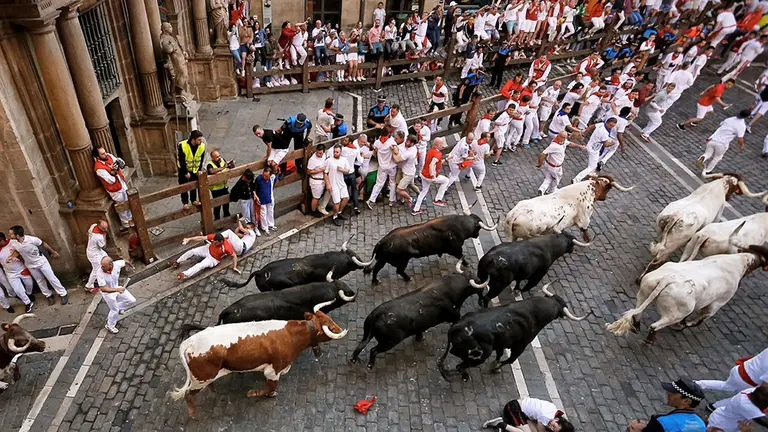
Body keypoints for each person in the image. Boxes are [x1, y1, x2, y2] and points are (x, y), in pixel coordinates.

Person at [8, 225, 68, 305]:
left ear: (17, 236)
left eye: (11, 234)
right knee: (40, 280)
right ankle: (48, 295)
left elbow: (43, 244)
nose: (9, 235)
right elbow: (17, 251)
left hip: (41, 262)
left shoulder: (32, 240)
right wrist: (12, 257)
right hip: (30, 265)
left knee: (51, 278)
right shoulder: (13, 243)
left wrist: (53, 252)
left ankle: (63, 293)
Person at [626, 379, 706, 432]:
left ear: (686, 401)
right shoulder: (701, 425)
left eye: (674, 393)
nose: (668, 393)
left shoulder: (661, 423)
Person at [696, 348, 767, 397]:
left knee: (726, 385)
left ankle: (696, 384)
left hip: (740, 369)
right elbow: (764, 388)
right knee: (743, 398)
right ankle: (715, 406)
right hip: (746, 382)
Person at [697, 110, 749, 175]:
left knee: (708, 153)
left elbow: (721, 124)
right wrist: (741, 145)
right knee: (717, 157)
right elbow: (740, 139)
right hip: (722, 143)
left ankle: (703, 158)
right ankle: (707, 171)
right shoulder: (742, 125)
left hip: (712, 139)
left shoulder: (730, 119)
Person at [92, 146, 133, 228]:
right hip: (115, 190)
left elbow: (118, 161)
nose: (105, 154)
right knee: (121, 206)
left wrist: (120, 163)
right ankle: (125, 222)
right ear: (97, 157)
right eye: (102, 154)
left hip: (121, 183)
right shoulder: (99, 169)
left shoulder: (109, 156)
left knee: (127, 201)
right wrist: (113, 171)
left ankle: (131, 218)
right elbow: (111, 180)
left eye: (105, 152)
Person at [482, 397, 575, 432]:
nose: (551, 427)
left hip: (522, 411)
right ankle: (500, 423)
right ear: (557, 420)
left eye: (553, 430)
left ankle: (507, 424)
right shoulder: (546, 417)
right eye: (554, 427)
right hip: (513, 408)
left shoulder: (554, 411)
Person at [94, 256, 136, 334]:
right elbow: (103, 288)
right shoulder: (99, 273)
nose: (101, 267)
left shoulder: (117, 264)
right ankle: (110, 325)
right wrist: (117, 290)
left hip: (117, 288)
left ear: (111, 264)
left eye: (104, 266)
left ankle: (118, 309)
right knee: (114, 310)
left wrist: (132, 266)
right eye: (101, 265)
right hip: (108, 294)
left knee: (132, 301)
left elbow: (125, 261)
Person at [173, 232, 238, 279]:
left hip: (213, 259)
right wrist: (189, 239)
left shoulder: (226, 247)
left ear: (221, 241)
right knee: (193, 251)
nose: (215, 243)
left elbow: (234, 256)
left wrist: (234, 267)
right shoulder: (214, 237)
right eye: (214, 242)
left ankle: (184, 274)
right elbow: (201, 238)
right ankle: (177, 261)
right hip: (208, 249)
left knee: (200, 265)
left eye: (216, 243)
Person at [537, 131, 585, 195]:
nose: (565, 139)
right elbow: (542, 154)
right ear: (559, 136)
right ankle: (551, 191)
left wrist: (579, 146)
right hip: (554, 167)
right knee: (556, 180)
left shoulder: (562, 141)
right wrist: (539, 164)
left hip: (549, 164)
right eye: (563, 137)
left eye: (565, 138)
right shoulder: (554, 145)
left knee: (548, 178)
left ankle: (541, 189)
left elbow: (569, 143)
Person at [412, 137, 451, 215]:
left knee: (423, 191)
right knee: (446, 180)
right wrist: (433, 176)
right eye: (441, 144)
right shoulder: (438, 154)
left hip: (423, 174)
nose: (442, 145)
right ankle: (438, 199)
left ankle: (416, 209)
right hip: (430, 177)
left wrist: (446, 159)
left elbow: (436, 163)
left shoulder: (430, 151)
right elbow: (431, 165)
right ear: (438, 145)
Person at [572, 117, 617, 183]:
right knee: (591, 167)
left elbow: (590, 127)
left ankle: (591, 174)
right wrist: (612, 143)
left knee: (594, 163)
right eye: (610, 125)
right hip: (594, 150)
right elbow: (606, 145)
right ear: (607, 123)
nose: (611, 127)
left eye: (613, 126)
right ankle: (577, 179)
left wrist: (584, 134)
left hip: (591, 145)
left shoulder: (601, 124)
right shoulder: (605, 133)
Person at [366, 131, 404, 209]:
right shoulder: (391, 142)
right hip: (391, 166)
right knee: (392, 182)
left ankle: (371, 200)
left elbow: (375, 152)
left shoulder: (377, 143)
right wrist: (393, 149)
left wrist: (377, 158)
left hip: (382, 167)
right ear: (388, 134)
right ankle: (391, 200)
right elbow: (396, 152)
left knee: (379, 183)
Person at [0, 232, 34, 313]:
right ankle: (28, 303)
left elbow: (20, 250)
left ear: (2, 240)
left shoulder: (13, 242)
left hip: (21, 269)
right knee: (18, 290)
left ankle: (29, 294)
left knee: (29, 284)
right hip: (10, 273)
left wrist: (13, 256)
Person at [177, 130, 206, 210]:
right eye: (199, 140)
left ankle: (193, 200)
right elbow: (181, 160)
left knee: (194, 185)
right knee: (184, 186)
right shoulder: (182, 145)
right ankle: (185, 202)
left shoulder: (202, 146)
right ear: (193, 139)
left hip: (195, 169)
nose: (200, 141)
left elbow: (201, 158)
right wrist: (185, 172)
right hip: (184, 169)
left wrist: (199, 169)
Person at [324, 145, 352, 226]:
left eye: (337, 152)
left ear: (340, 152)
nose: (335, 153)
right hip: (333, 184)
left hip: (341, 183)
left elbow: (347, 170)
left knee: (346, 198)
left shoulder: (344, 160)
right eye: (334, 152)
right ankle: (334, 216)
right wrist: (328, 184)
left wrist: (342, 169)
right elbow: (325, 173)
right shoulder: (329, 161)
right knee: (337, 202)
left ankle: (339, 212)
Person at [206, 150, 235, 220]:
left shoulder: (222, 160)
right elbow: (211, 171)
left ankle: (226, 215)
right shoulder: (209, 165)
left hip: (224, 186)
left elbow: (228, 167)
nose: (218, 158)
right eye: (216, 157)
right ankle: (217, 219)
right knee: (217, 205)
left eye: (219, 156)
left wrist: (231, 165)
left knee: (226, 201)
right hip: (216, 189)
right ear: (212, 158)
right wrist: (223, 167)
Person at [393, 134, 419, 205]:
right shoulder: (411, 147)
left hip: (408, 173)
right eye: (406, 140)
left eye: (408, 141)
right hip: (404, 169)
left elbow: (397, 160)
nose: (406, 142)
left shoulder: (410, 153)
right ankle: (419, 195)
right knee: (410, 185)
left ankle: (410, 199)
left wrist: (393, 151)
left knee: (399, 189)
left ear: (412, 143)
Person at [85, 219, 109, 293]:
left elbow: (87, 233)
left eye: (106, 227)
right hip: (94, 254)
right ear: (99, 225)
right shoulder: (98, 237)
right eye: (104, 228)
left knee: (106, 258)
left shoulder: (93, 226)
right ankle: (89, 286)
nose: (106, 229)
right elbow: (104, 246)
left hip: (94, 249)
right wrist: (104, 235)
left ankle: (106, 276)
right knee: (96, 270)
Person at [254, 167, 277, 233]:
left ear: (270, 175)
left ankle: (271, 224)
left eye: (266, 176)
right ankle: (264, 227)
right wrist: (256, 196)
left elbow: (274, 183)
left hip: (269, 197)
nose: (264, 177)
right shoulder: (258, 179)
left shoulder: (273, 178)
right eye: (263, 175)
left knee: (270, 211)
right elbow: (255, 188)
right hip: (262, 199)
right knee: (263, 214)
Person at [307, 144, 327, 215]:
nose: (319, 154)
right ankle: (313, 211)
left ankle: (317, 207)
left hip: (322, 179)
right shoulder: (312, 160)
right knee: (316, 197)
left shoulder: (324, 156)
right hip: (316, 181)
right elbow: (309, 171)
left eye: (320, 153)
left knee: (319, 196)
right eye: (317, 152)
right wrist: (319, 170)